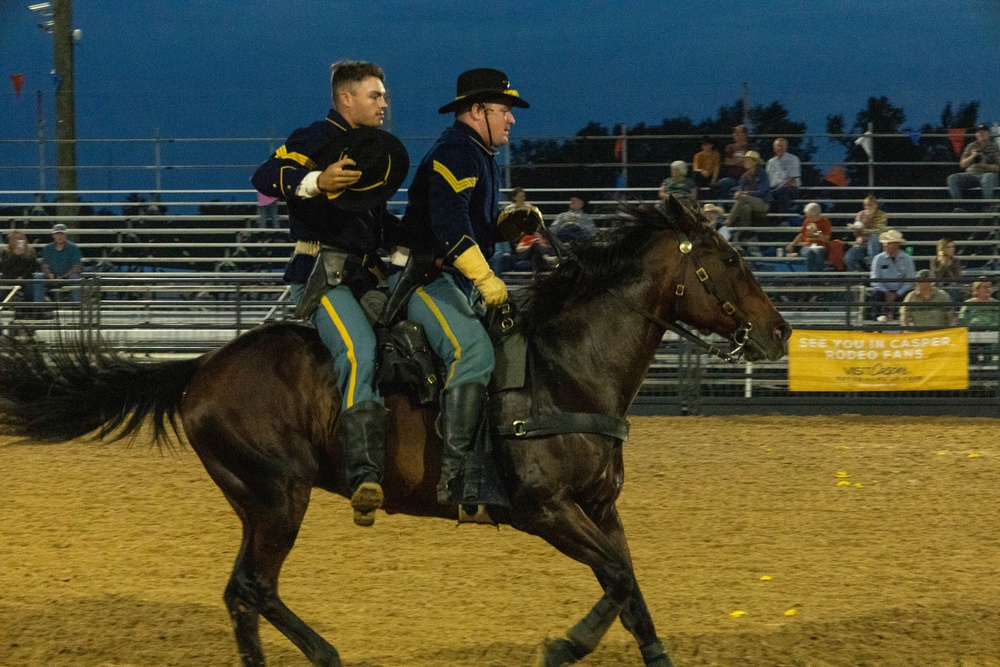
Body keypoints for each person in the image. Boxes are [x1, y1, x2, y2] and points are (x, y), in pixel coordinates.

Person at [251, 60, 405, 528]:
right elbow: (264, 176)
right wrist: (318, 180)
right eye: (375, 95)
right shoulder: (315, 137)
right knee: (359, 348)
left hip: (365, 274)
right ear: (346, 99)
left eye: (384, 96)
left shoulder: (371, 150)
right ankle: (362, 473)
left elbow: (380, 226)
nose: (385, 104)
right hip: (322, 275)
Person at [396, 68, 530, 512]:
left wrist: (506, 227)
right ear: (477, 111)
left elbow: (471, 225)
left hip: (453, 279)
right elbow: (450, 227)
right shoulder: (456, 152)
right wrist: (487, 278)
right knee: (473, 353)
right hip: (426, 280)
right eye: (504, 111)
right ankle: (457, 478)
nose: (511, 120)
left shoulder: (476, 154)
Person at [868, 229, 915, 322]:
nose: (885, 245)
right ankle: (874, 325)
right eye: (885, 243)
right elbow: (874, 279)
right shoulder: (878, 259)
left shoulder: (907, 259)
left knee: (910, 296)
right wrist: (886, 292)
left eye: (888, 243)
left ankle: (905, 322)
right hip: (883, 291)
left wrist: (897, 293)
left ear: (896, 245)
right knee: (875, 296)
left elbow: (910, 280)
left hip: (902, 291)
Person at [946, 124, 999, 207]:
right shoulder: (971, 146)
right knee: (952, 178)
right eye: (979, 132)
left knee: (988, 177)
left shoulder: (994, 147)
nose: (981, 134)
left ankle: (987, 206)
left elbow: (998, 167)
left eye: (983, 132)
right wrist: (972, 156)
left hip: (986, 175)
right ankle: (958, 206)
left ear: (988, 134)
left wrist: (985, 165)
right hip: (970, 175)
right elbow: (962, 164)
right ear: (976, 135)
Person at [38, 223, 83, 303]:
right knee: (38, 277)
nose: (60, 237)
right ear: (53, 236)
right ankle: (38, 308)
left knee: (75, 277)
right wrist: (49, 275)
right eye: (57, 234)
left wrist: (62, 277)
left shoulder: (73, 248)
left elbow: (76, 267)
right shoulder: (47, 248)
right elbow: (45, 265)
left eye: (62, 234)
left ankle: (76, 306)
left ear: (66, 235)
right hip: (52, 277)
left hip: (67, 277)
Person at [0, 229, 40, 320]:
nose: (17, 240)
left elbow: (32, 267)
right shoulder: (5, 252)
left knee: (30, 288)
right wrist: (14, 255)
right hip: (9, 278)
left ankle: (30, 313)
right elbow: (4, 268)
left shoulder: (30, 251)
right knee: (2, 289)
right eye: (15, 238)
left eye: (20, 238)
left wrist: (22, 277)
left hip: (25, 278)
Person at [727, 150, 772, 228]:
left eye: (748, 160)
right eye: (745, 160)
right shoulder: (744, 176)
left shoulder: (762, 174)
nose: (745, 162)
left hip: (763, 202)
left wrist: (745, 193)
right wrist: (737, 193)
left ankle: (728, 222)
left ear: (755, 162)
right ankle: (746, 233)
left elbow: (762, 192)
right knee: (745, 208)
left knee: (743, 197)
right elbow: (740, 189)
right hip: (748, 202)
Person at [490, 187, 528, 276]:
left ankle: (504, 251)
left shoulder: (528, 209)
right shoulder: (509, 210)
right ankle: (503, 251)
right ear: (514, 198)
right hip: (510, 236)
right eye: (520, 196)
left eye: (523, 196)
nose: (522, 199)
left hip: (520, 238)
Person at [843, 195, 888, 272]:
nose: (868, 207)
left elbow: (878, 231)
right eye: (866, 205)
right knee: (849, 258)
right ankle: (862, 276)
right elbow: (856, 233)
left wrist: (864, 227)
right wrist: (856, 230)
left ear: (876, 205)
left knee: (874, 237)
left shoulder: (882, 215)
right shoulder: (860, 214)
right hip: (862, 244)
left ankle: (872, 268)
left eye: (870, 205)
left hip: (877, 244)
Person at [785, 202, 832, 272]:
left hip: (820, 246)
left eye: (810, 216)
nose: (808, 217)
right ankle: (812, 275)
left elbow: (826, 239)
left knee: (817, 252)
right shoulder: (806, 221)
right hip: (807, 246)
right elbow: (801, 235)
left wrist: (816, 232)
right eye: (807, 215)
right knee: (810, 252)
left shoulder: (825, 222)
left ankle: (816, 275)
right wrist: (793, 244)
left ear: (817, 214)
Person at [712, 124, 751, 200]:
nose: (734, 134)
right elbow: (727, 162)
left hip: (747, 178)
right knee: (721, 184)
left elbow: (749, 163)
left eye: (737, 133)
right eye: (734, 133)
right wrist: (741, 160)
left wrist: (735, 160)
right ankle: (721, 207)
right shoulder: (730, 147)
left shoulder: (750, 147)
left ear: (744, 134)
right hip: (732, 177)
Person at [765, 138, 801, 214]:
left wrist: (779, 186)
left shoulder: (793, 159)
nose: (779, 148)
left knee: (782, 190)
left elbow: (792, 179)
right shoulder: (770, 162)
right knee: (765, 193)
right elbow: (767, 179)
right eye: (777, 146)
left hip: (790, 188)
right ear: (774, 148)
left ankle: (783, 218)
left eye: (781, 146)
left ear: (786, 147)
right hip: (773, 189)